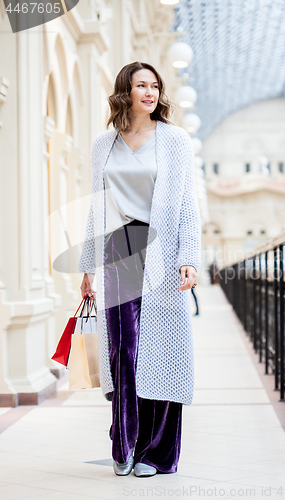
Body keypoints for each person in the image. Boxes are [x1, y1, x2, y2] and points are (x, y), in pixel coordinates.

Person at [79, 61, 201, 478]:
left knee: (161, 351)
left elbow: (187, 204)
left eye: (155, 85)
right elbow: (97, 206)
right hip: (118, 251)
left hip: (162, 250)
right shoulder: (103, 144)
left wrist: (189, 257)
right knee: (124, 349)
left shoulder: (174, 140)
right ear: (124, 92)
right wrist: (87, 267)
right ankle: (124, 442)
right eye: (140, 85)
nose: (149, 92)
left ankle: (156, 451)